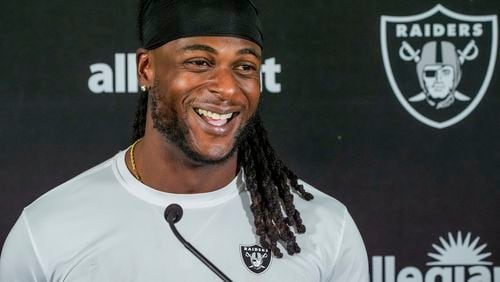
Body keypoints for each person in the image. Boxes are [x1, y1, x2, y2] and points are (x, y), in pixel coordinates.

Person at [0, 0, 369, 281]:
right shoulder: (47, 229)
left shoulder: (325, 228)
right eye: (199, 62)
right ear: (146, 68)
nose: (227, 88)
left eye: (244, 67)